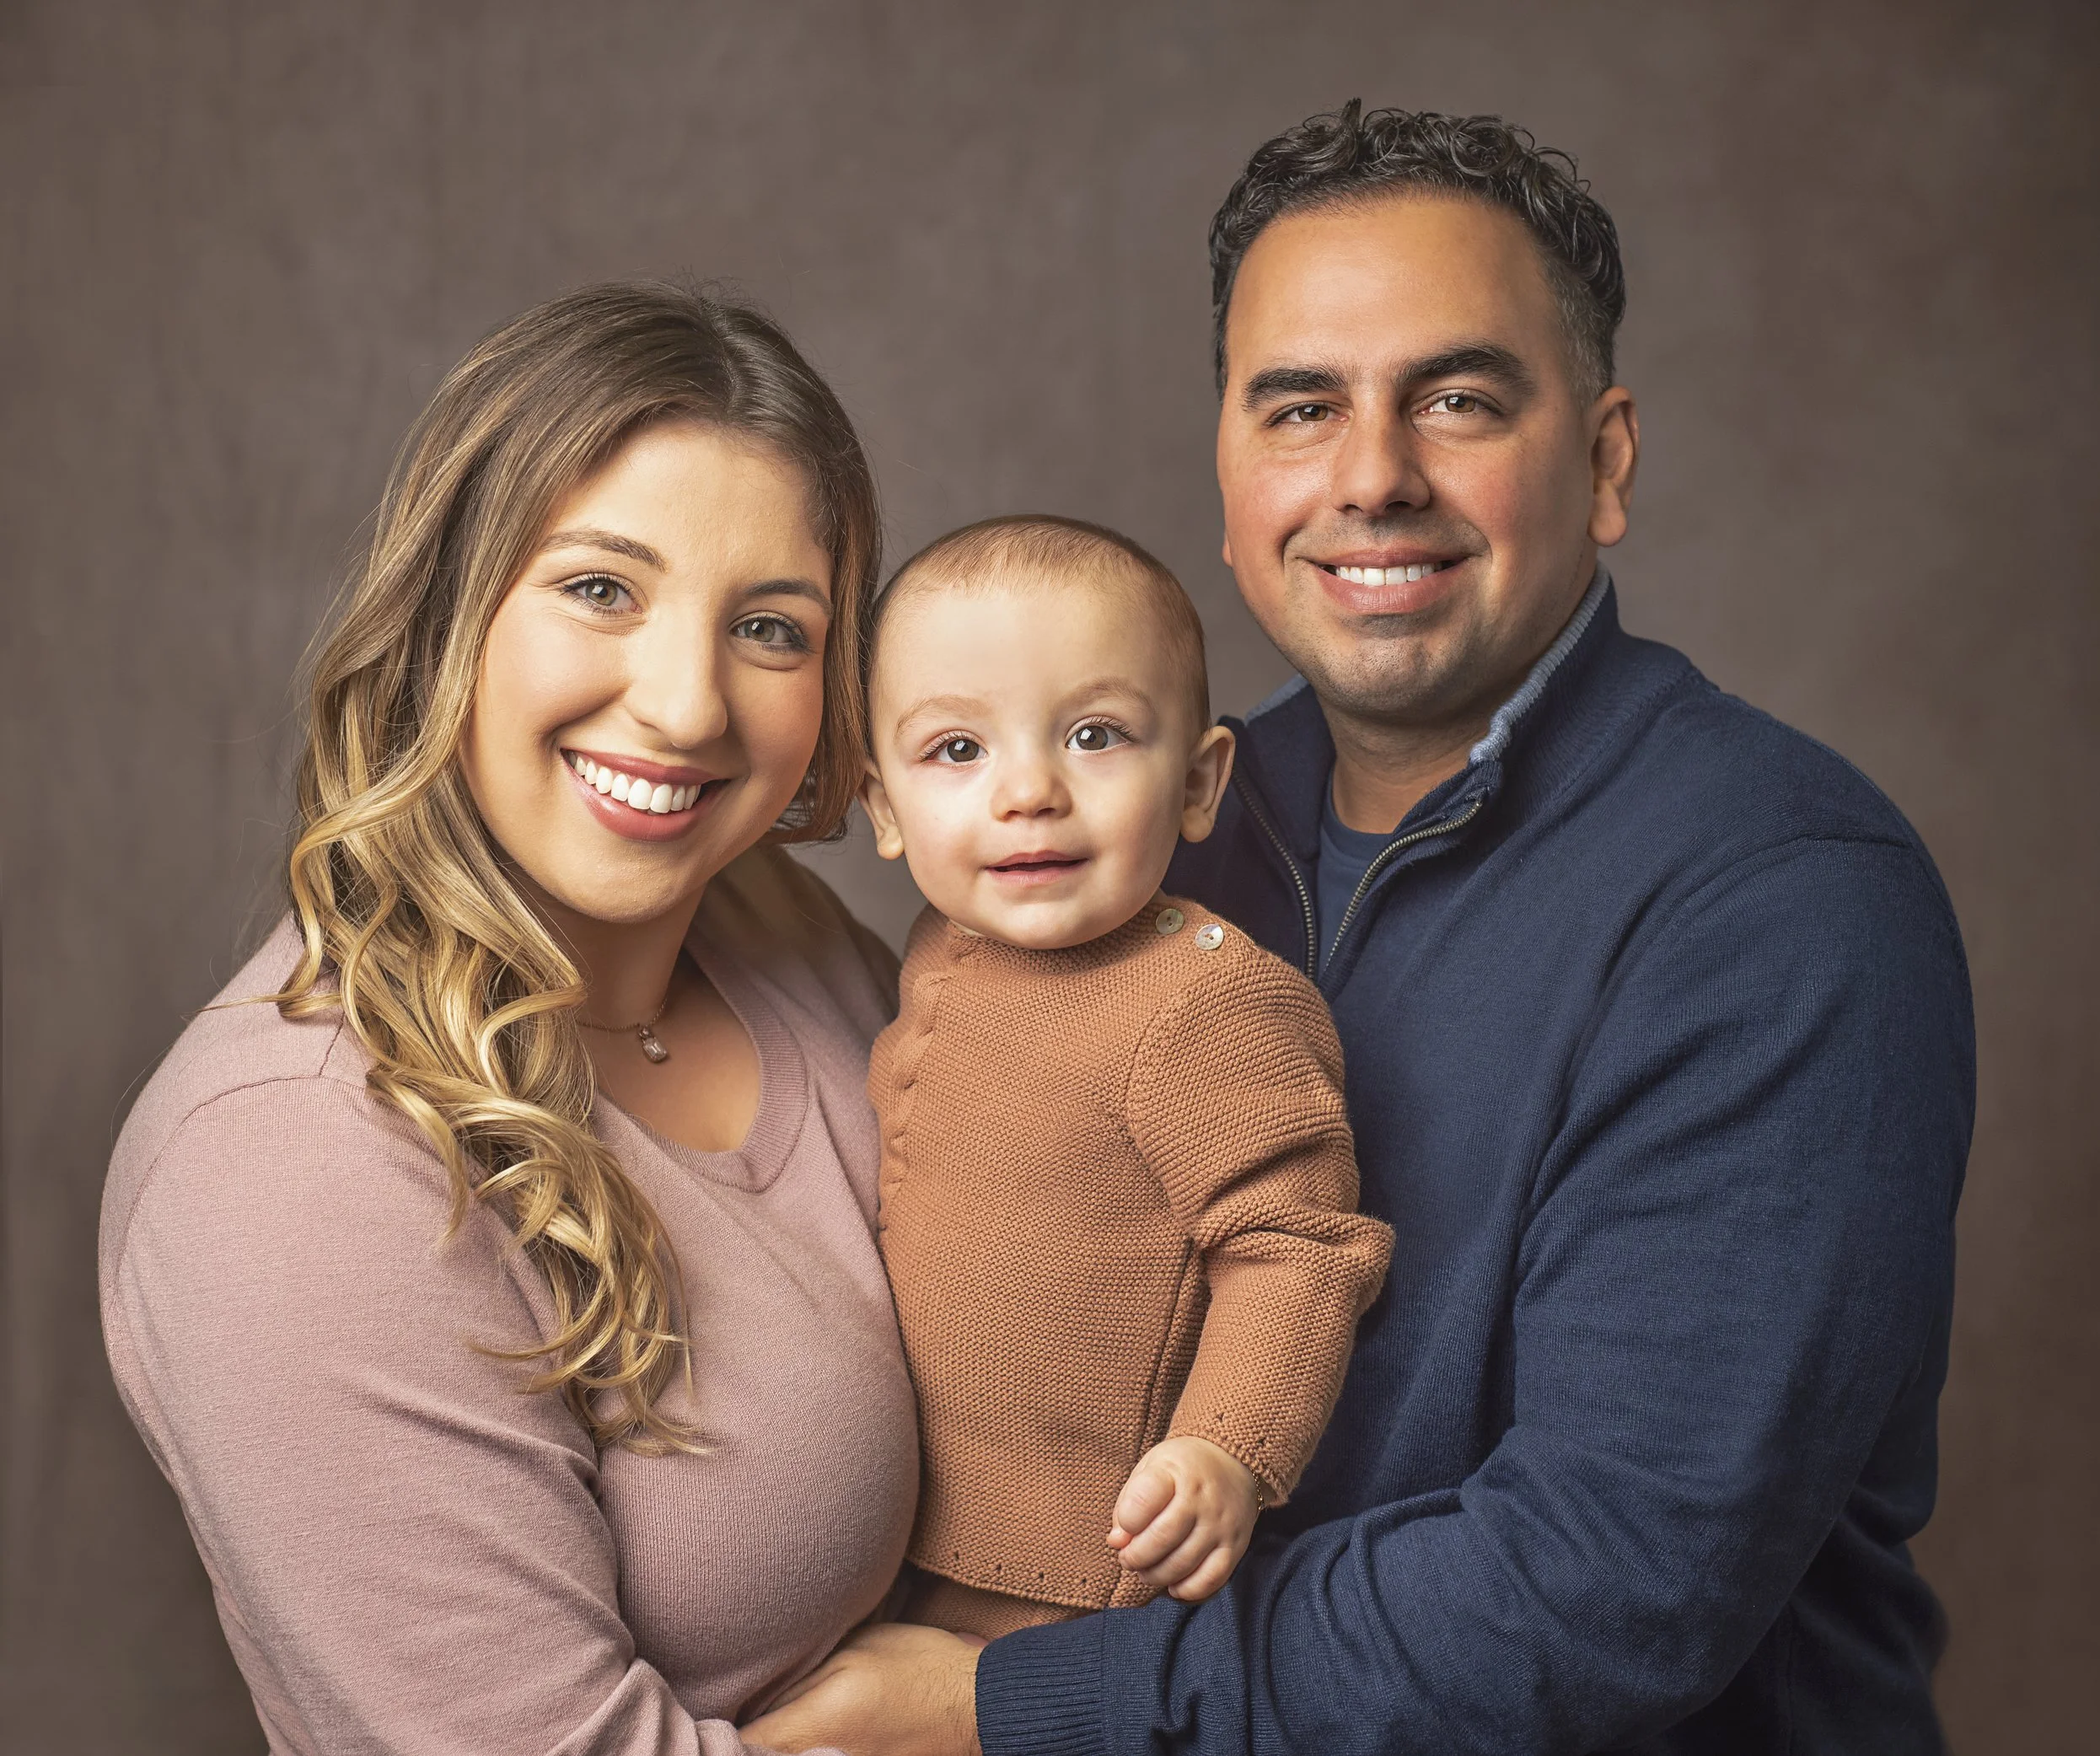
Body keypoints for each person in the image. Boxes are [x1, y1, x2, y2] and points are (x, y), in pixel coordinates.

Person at [742, 103, 1974, 1756]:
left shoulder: (1777, 900)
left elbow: (1608, 1583)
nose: (1371, 479)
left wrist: (1003, 1703)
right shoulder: (1126, 853)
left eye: (1457, 400)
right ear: (1235, 476)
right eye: (1300, 408)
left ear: (1601, 460)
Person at [99, 282, 921, 1754]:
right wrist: (1002, 1714)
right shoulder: (289, 1158)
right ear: (447, 611)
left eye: (773, 628)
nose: (683, 705)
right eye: (601, 587)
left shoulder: (792, 940)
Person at [857, 515, 1393, 1641]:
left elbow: (1294, 1244)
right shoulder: (936, 950)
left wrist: (1227, 1446)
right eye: (959, 750)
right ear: (884, 810)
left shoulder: (1206, 1001)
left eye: (1095, 735)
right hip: (895, 1540)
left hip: (1087, 1573)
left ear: (1198, 784)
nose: (1029, 792)